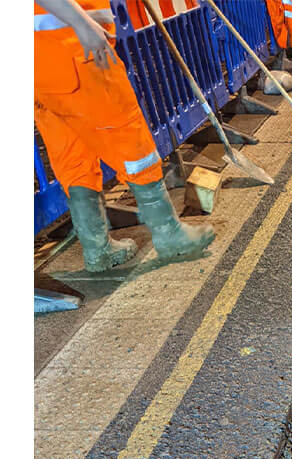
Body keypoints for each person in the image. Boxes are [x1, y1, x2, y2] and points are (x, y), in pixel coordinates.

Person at [34, 0, 214, 273]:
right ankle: (168, 233)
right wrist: (82, 24)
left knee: (73, 155)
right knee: (130, 139)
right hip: (76, 50)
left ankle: (96, 248)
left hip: (41, 62)